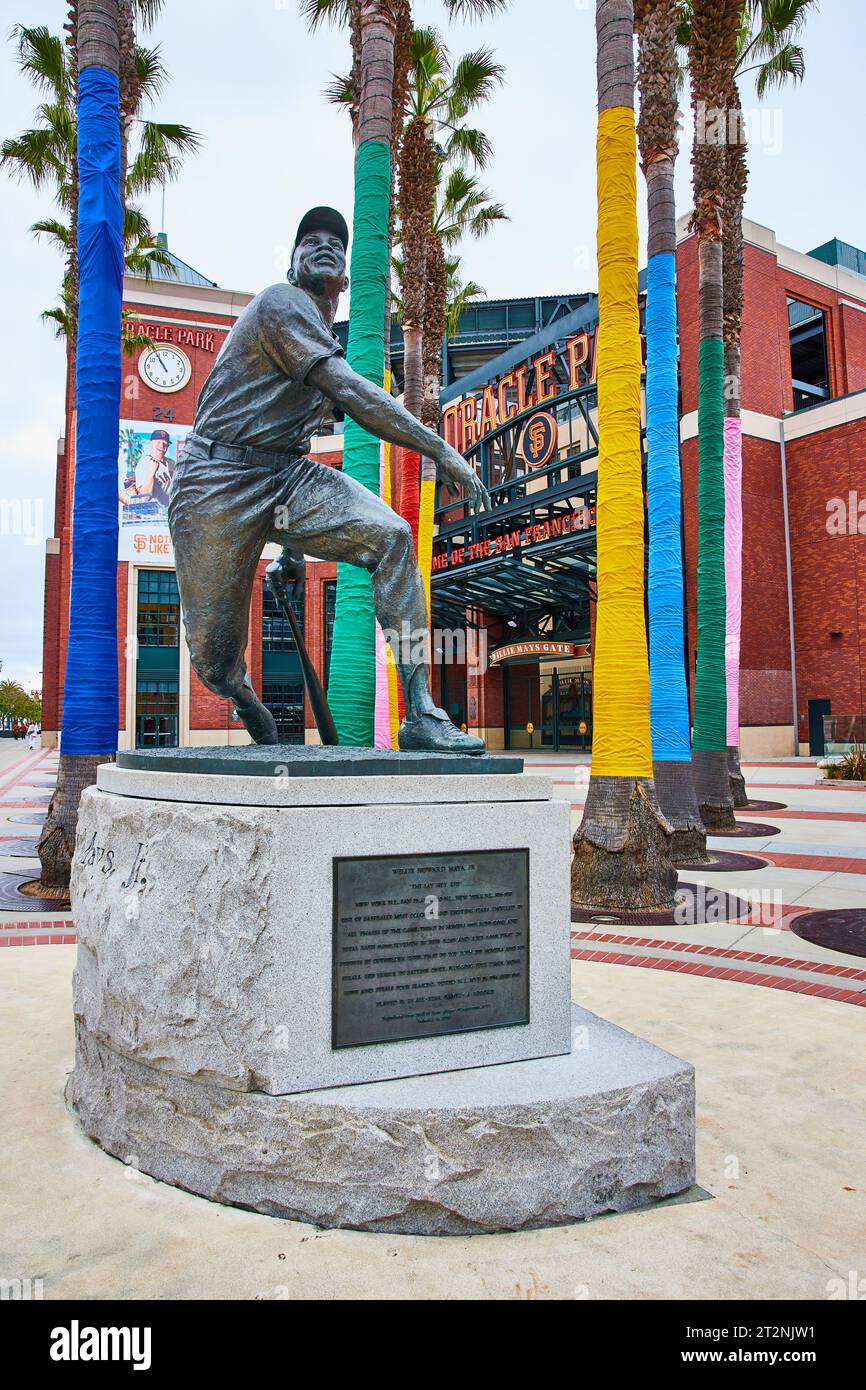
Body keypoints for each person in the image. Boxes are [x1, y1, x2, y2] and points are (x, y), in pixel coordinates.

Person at [169, 206, 489, 753]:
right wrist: (441, 448)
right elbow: (355, 394)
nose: (324, 247)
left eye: (336, 245)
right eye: (310, 241)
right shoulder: (281, 304)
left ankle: (419, 713)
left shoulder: (319, 333)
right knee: (214, 663)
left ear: (344, 277)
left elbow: (293, 439)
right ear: (292, 263)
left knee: (392, 537)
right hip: (215, 481)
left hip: (283, 476)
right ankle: (248, 703)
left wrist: (291, 548)